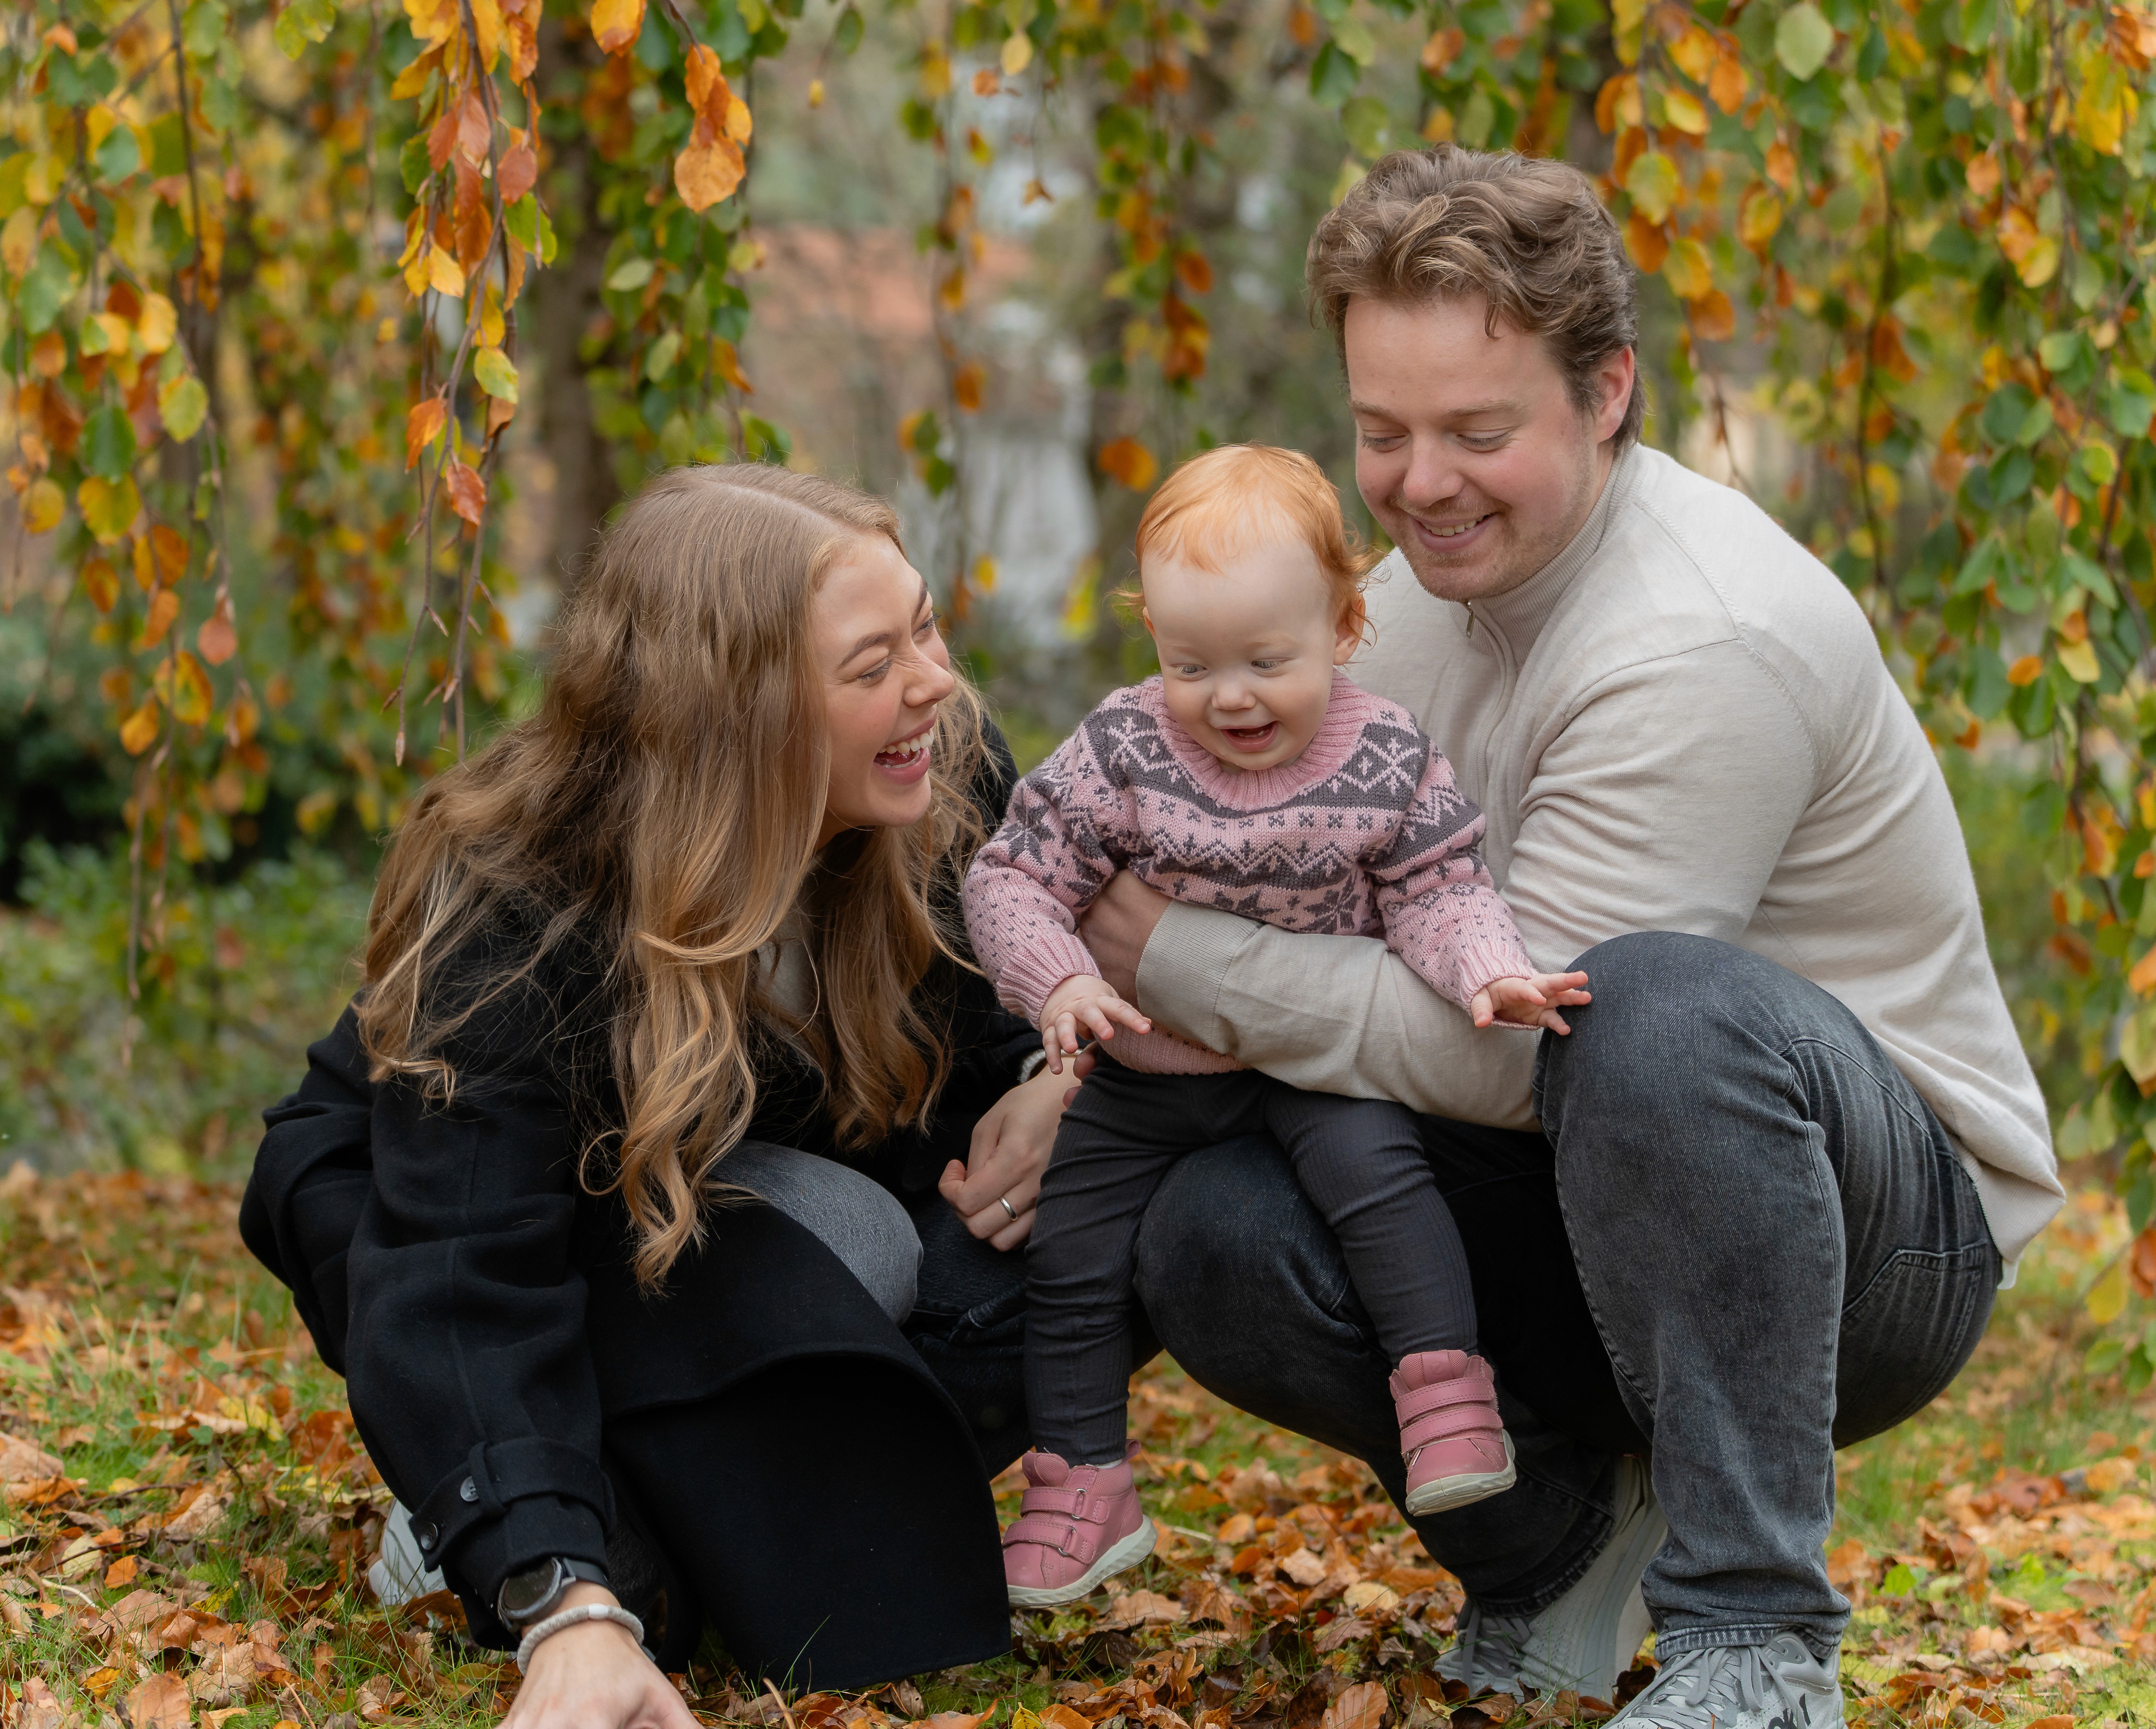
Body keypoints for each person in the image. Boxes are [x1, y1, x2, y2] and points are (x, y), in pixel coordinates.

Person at [1084, 148, 2063, 1729]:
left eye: (1480, 432)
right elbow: (1313, 922)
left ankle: (1754, 1647)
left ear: (1605, 392)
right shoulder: (1389, 614)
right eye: (1381, 435)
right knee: (1212, 1226)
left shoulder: (1697, 635)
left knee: (1648, 1004)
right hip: (1587, 1196)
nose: (1420, 485)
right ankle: (1551, 1553)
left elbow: (1517, 1038)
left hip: (1867, 1242)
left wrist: (1169, 955)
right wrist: (1083, 1043)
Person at [240, 465, 1091, 1727]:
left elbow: (1008, 1014)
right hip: (468, 1215)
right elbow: (466, 1266)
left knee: (1101, 1208)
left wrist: (1049, 1078)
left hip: (747, 1216)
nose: (935, 683)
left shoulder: (941, 777)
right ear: (735, 714)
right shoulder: (518, 900)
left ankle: (705, 1485)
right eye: (872, 665)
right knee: (653, 1603)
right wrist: (567, 1599)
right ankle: (505, 1499)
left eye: (925, 625)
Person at [959, 445, 1591, 1605]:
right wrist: (1056, 984)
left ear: (1346, 625)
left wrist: (1490, 973)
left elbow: (1439, 888)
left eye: (1266, 660)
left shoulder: (1390, 754)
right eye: (1190, 661)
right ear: (1152, 631)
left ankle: (1448, 1398)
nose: (1231, 696)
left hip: (1308, 1065)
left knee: (1382, 1187)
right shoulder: (1125, 746)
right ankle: (1082, 1483)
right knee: (1074, 1260)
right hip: (1150, 1069)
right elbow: (1011, 876)